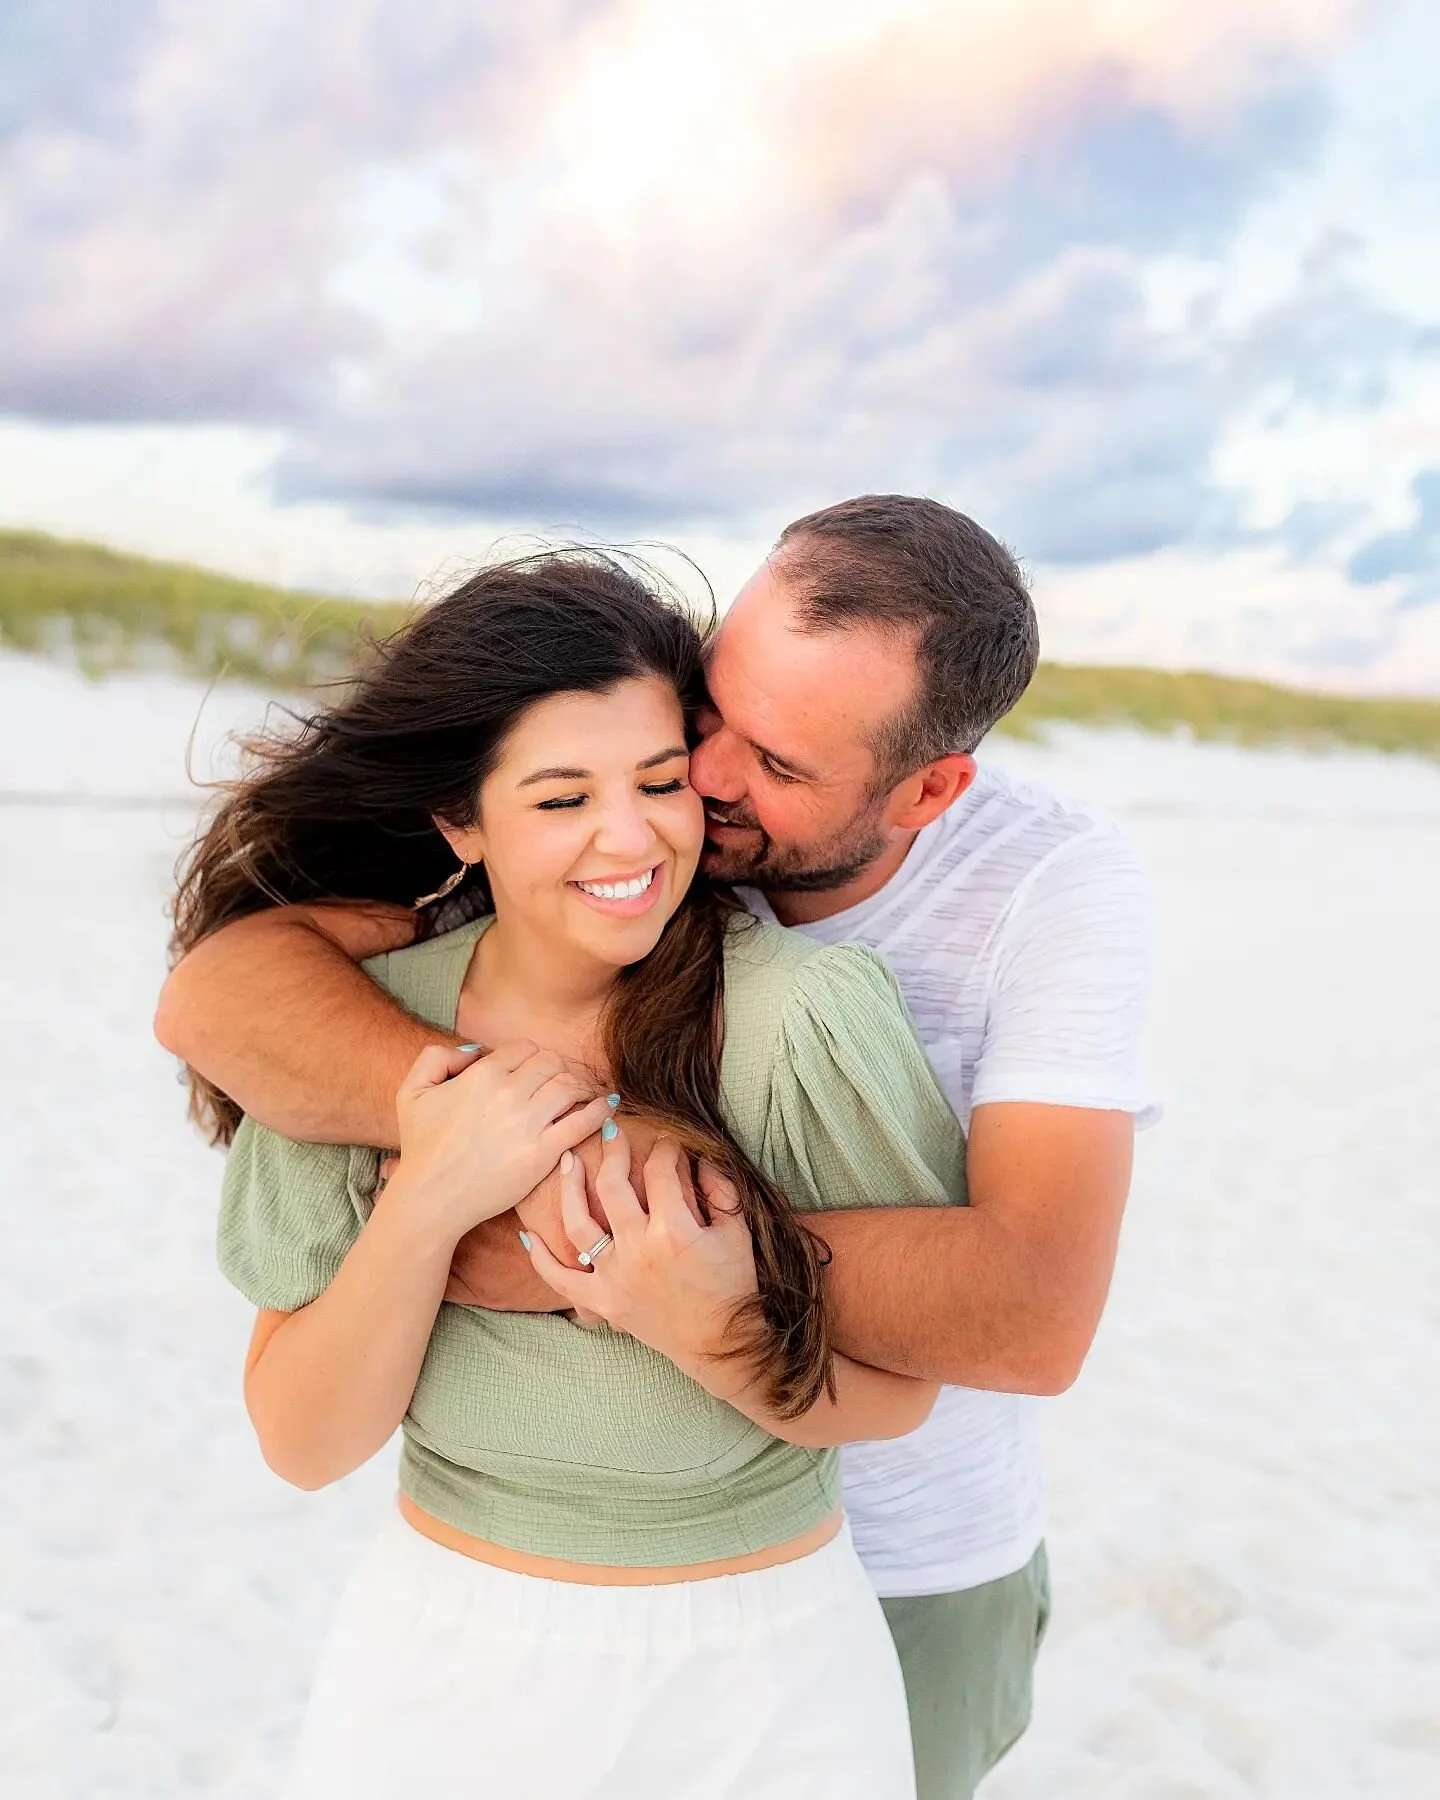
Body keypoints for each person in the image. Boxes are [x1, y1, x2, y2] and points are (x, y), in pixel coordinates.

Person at [158, 495, 1155, 1800]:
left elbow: (1029, 1318)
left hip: (895, 1566)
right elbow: (220, 996)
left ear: (930, 790)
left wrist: (596, 1248)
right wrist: (461, 1149)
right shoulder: (586, 831)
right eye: (711, 718)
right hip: (473, 1604)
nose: (710, 789)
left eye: (779, 767)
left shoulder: (1036, 897)